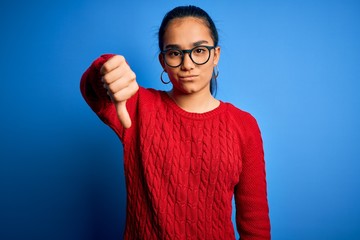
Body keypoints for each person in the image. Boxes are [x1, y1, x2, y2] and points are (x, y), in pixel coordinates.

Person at [80, 5, 271, 240]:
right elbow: (95, 91)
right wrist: (107, 69)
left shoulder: (244, 125)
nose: (187, 64)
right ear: (162, 61)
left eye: (199, 50)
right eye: (174, 53)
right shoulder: (139, 106)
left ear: (216, 55)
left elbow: (256, 226)